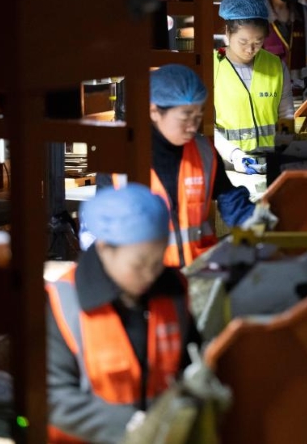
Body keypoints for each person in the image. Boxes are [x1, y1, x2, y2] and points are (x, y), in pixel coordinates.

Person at [46, 183, 201, 443]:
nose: (151, 273)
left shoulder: (172, 290)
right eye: (140, 263)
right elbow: (53, 396)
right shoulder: (63, 302)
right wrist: (133, 426)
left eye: (158, 260)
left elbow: (189, 363)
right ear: (106, 248)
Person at [90, 64, 275, 267]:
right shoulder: (119, 159)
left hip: (199, 273)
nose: (193, 126)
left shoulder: (204, 151)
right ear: (154, 111)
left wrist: (255, 223)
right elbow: (102, 231)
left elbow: (230, 200)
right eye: (185, 116)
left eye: (198, 116)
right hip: (147, 277)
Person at [214, 0, 295, 173]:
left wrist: (285, 148)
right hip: (230, 165)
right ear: (227, 32)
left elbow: (286, 113)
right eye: (243, 42)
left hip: (271, 160)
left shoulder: (276, 65)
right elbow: (207, 127)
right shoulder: (212, 68)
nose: (250, 49)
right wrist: (235, 155)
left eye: (258, 42)